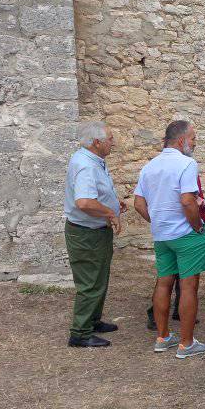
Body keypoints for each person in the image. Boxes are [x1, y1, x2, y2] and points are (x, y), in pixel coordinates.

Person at [134, 120, 205, 359]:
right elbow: (188, 200)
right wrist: (198, 226)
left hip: (162, 235)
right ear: (182, 140)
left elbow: (139, 203)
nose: (195, 143)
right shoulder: (186, 163)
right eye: (194, 138)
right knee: (189, 286)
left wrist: (158, 221)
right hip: (185, 233)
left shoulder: (149, 166)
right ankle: (186, 343)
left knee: (164, 282)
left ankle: (163, 337)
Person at [64, 121, 124, 348]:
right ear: (97, 142)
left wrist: (113, 202)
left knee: (99, 278)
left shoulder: (91, 160)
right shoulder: (86, 165)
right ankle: (80, 333)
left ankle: (92, 320)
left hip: (94, 231)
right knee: (90, 282)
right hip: (87, 233)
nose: (113, 142)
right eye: (110, 138)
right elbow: (84, 201)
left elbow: (94, 193)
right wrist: (110, 212)